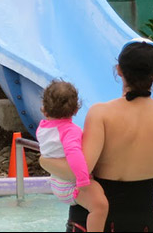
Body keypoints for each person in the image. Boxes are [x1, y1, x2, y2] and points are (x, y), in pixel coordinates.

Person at [39, 38, 153, 232]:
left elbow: (79, 170)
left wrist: (43, 161)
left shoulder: (101, 114)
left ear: (119, 70)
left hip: (92, 223)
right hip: (144, 224)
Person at [37, 80, 108, 232]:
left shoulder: (43, 128)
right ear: (76, 110)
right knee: (100, 207)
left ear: (44, 109)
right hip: (71, 185)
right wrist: (83, 181)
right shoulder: (70, 131)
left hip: (57, 181)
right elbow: (74, 156)